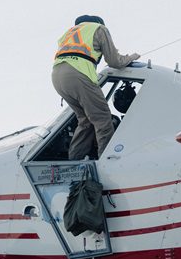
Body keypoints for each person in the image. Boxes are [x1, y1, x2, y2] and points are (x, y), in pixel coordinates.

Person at [52, 15, 139, 160]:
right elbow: (115, 61)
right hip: (78, 73)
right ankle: (107, 162)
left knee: (85, 120)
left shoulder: (70, 32)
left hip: (57, 76)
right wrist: (131, 57)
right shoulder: (99, 28)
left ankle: (75, 160)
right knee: (103, 119)